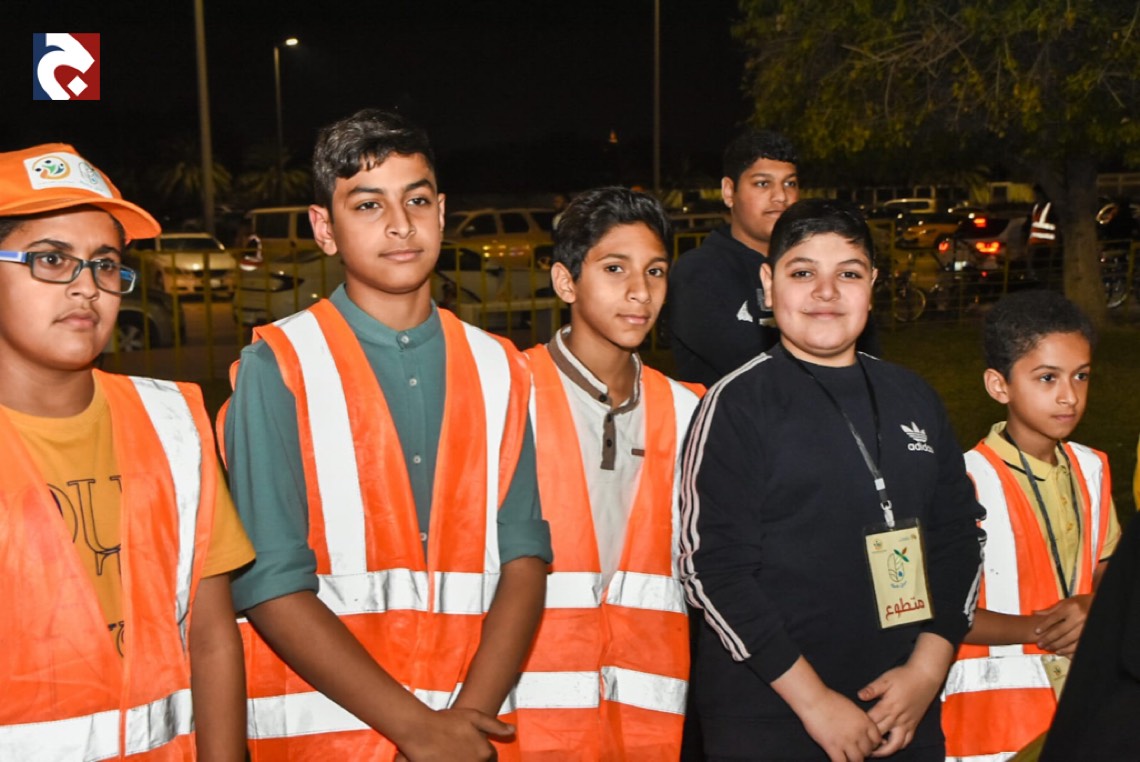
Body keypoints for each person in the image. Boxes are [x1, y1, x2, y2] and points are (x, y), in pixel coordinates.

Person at [221, 108, 552, 760]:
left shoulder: (500, 366)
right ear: (324, 228)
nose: (400, 224)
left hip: (466, 729)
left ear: (442, 212)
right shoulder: (279, 365)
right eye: (368, 205)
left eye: (417, 200)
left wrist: (462, 723)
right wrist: (418, 729)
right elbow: (269, 582)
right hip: (328, 737)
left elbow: (525, 560)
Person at [680, 198, 984, 761]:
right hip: (772, 714)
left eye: (848, 273)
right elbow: (713, 572)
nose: (826, 292)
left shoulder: (913, 396)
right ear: (768, 284)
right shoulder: (737, 405)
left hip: (902, 708)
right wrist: (815, 702)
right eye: (802, 273)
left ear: (873, 284)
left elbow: (959, 540)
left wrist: (925, 671)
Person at [0, 143, 252, 759]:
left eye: (105, 265)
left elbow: (212, 635)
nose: (86, 287)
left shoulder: (171, 421)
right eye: (52, 259)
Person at [508, 187, 702, 759]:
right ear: (565, 282)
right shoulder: (510, 393)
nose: (640, 291)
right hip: (523, 716)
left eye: (655, 271)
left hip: (648, 719)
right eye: (615, 268)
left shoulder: (689, 410)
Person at [941, 290, 1120, 761]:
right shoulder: (963, 482)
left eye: (1081, 375)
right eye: (1047, 378)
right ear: (999, 386)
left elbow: (1107, 566)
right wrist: (1043, 628)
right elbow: (939, 609)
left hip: (1080, 710)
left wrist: (1095, 604)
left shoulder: (1093, 469)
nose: (1069, 396)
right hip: (992, 729)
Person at [668, 130, 877, 386]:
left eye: (790, 183)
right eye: (762, 184)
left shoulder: (821, 268)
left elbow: (864, 359)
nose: (781, 197)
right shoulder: (698, 272)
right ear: (729, 191)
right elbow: (754, 370)